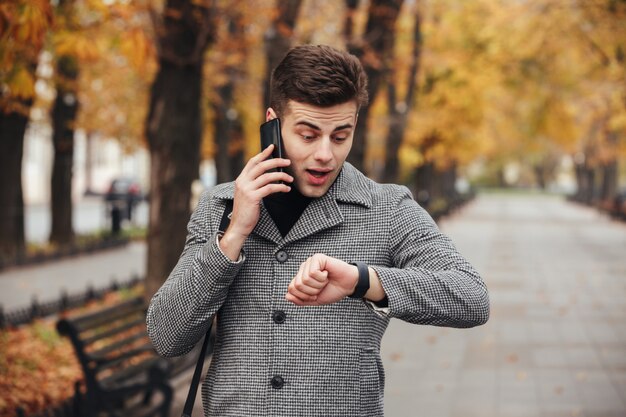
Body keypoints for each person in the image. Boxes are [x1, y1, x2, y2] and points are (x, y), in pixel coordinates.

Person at [147, 44, 489, 417]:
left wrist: (364, 281)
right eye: (308, 135)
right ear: (273, 123)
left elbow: (470, 296)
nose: (325, 154)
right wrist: (231, 238)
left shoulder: (387, 208)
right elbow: (167, 335)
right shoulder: (221, 206)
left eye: (340, 136)